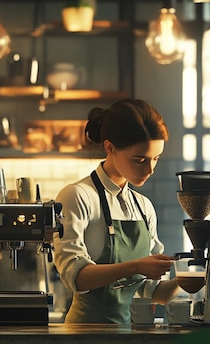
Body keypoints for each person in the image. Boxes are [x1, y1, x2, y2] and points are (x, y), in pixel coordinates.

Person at [53, 99, 180, 324]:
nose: (150, 169)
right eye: (140, 160)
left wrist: (186, 280)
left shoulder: (143, 206)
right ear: (110, 147)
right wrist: (137, 266)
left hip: (130, 337)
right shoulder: (77, 196)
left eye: (156, 159)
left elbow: (155, 293)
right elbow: (76, 277)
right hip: (85, 337)